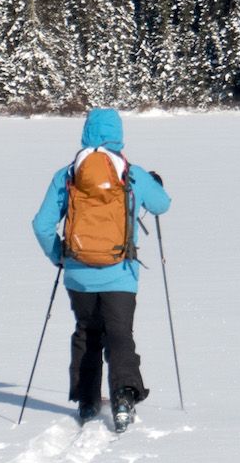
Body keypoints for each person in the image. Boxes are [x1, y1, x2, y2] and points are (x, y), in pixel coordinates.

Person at [30, 107, 172, 430]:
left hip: (78, 275)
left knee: (87, 331)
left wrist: (60, 256)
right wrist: (153, 182)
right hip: (120, 273)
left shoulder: (68, 175)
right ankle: (123, 397)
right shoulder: (130, 173)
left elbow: (41, 225)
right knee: (120, 334)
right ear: (118, 135)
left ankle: (87, 401)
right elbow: (163, 204)